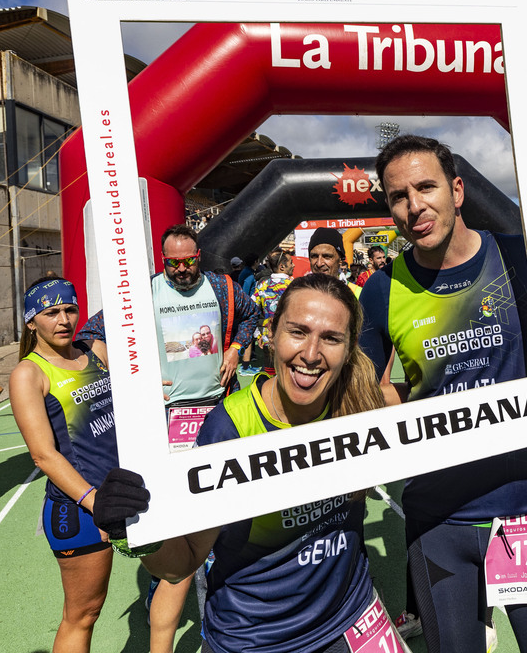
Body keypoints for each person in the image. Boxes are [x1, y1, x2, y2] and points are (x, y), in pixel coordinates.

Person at [358, 135, 527, 653]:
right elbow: (360, 394)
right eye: (399, 196)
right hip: (439, 519)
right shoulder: (382, 288)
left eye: (426, 187)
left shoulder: (520, 258)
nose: (414, 205)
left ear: (457, 190)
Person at [93, 273, 411, 653]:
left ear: (348, 348)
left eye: (331, 338)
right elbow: (183, 563)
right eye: (298, 332)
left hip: (351, 621)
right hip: (254, 638)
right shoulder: (229, 428)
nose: (311, 354)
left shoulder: (361, 405)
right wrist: (135, 533)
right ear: (271, 334)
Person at [77, 223, 258, 650]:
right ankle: (169, 580)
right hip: (163, 419)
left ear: (199, 255)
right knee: (170, 508)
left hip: (216, 410)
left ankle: (222, 578)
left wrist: (234, 348)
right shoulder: (141, 294)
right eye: (172, 263)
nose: (180, 270)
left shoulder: (222, 287)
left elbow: (252, 315)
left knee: (220, 500)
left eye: (188, 261)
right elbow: (91, 334)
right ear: (163, 261)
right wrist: (125, 375)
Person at [9, 278, 118, 652]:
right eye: (51, 312)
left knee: (174, 574)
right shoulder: (29, 373)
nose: (64, 319)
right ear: (31, 322)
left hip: (124, 495)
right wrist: (97, 504)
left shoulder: (97, 351)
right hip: (81, 509)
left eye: (70, 309)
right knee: (83, 614)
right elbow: (43, 455)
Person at [251, 248, 295, 377]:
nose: (293, 265)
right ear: (282, 266)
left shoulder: (262, 285)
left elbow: (250, 310)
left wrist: (257, 334)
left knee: (269, 370)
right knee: (287, 372)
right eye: (291, 262)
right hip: (289, 337)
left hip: (267, 337)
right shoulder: (295, 285)